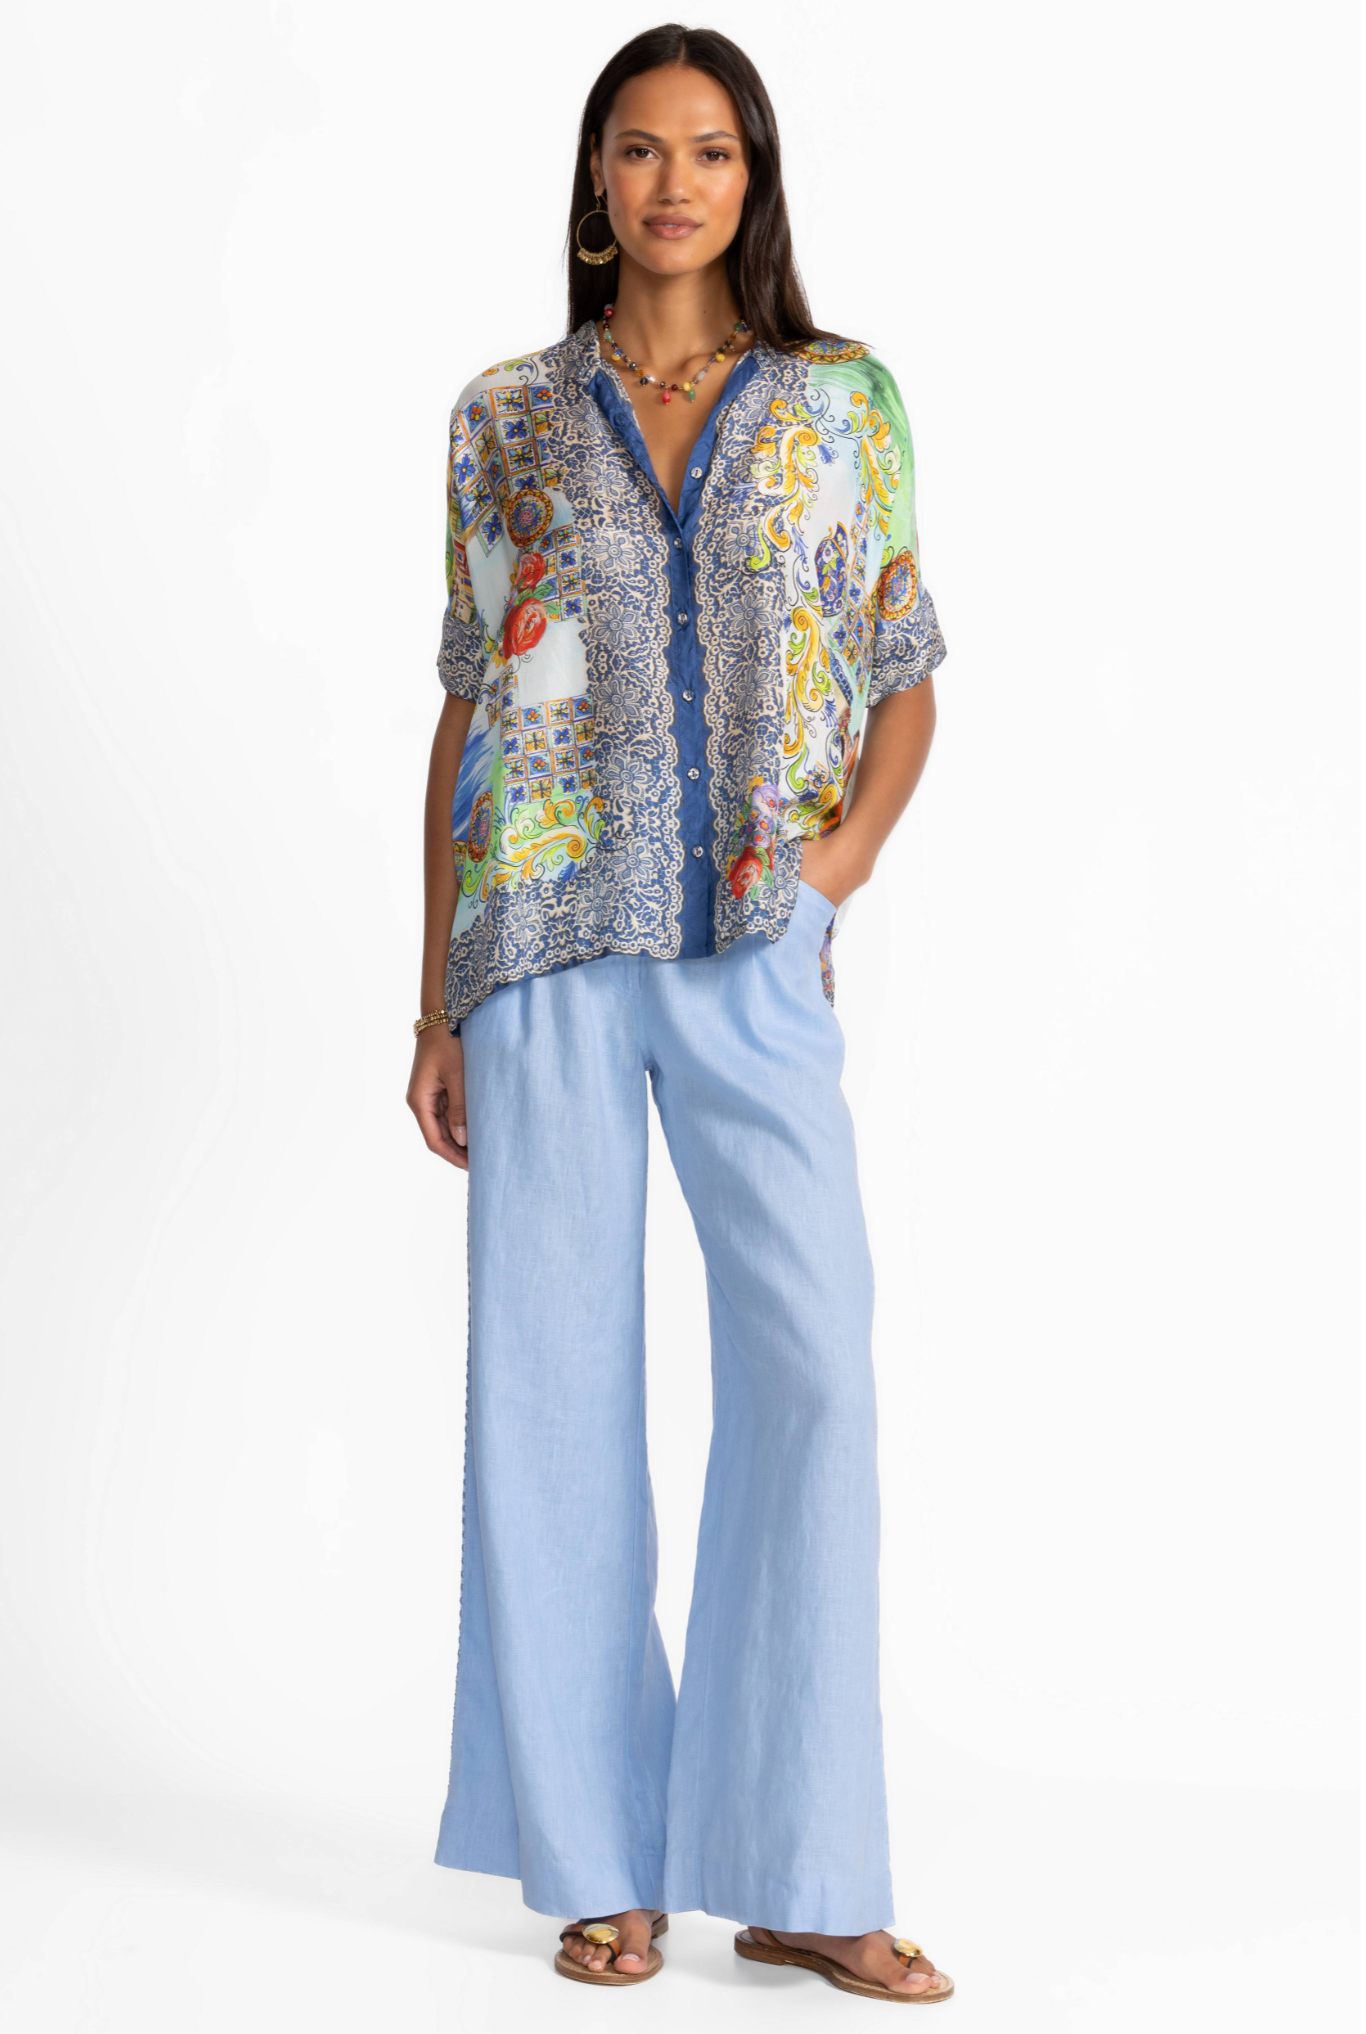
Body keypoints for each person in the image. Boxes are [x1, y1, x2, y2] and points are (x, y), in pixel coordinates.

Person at [406, 24, 953, 2006]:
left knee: (812, 1376)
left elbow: (901, 668)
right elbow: (468, 699)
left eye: (708, 152)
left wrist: (833, 872)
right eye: (638, 151)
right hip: (539, 941)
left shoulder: (839, 400)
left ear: (752, 179)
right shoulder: (501, 415)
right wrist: (433, 996)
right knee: (548, 1397)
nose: (671, 185)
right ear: (595, 178)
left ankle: (803, 1868)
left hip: (749, 939)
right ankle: (596, 1864)